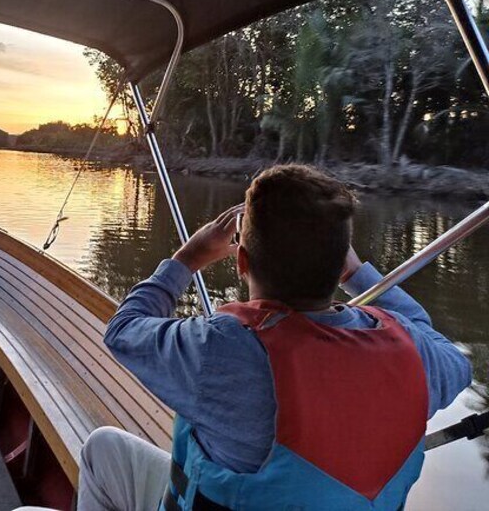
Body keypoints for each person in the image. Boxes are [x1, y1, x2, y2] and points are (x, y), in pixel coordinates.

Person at [78, 165, 472, 511]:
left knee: (101, 449)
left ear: (241, 261)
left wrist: (187, 259)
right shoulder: (415, 355)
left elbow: (124, 330)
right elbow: (434, 340)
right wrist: (358, 274)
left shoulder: (223, 349)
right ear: (340, 267)